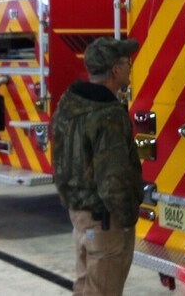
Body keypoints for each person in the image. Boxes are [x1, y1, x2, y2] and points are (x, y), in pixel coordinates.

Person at [51, 37, 143, 296]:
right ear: (115, 70)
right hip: (105, 221)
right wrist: (127, 217)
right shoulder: (108, 115)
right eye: (127, 62)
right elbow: (113, 179)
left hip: (80, 215)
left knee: (85, 287)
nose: (130, 67)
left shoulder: (69, 103)